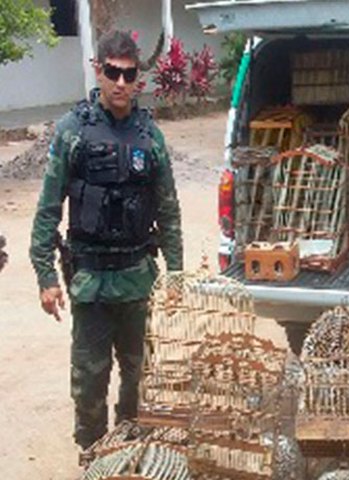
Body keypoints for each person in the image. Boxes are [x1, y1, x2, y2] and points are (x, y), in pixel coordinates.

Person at [29, 30, 183, 450]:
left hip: (138, 281)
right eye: (112, 72)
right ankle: (93, 453)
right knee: (89, 381)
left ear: (138, 79)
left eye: (128, 74)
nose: (119, 82)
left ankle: (130, 450)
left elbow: (168, 210)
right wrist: (46, 276)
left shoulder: (150, 136)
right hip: (91, 283)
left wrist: (177, 275)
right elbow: (48, 207)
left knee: (139, 376)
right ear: (98, 70)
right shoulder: (72, 132)